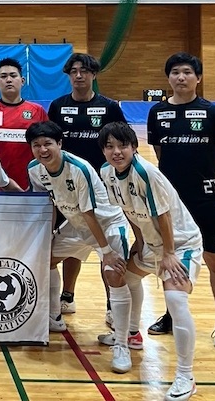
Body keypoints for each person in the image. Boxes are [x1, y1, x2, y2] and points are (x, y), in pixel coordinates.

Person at [98, 121, 203, 401]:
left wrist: (168, 253)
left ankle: (186, 376)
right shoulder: (107, 173)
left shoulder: (146, 173)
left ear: (134, 147)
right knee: (122, 276)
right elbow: (128, 210)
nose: (116, 152)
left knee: (176, 299)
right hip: (152, 244)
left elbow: (163, 215)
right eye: (109, 147)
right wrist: (140, 241)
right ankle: (130, 335)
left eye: (123, 146)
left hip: (180, 244)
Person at [25, 121, 140, 373]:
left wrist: (106, 252)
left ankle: (123, 343)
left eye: (48, 144)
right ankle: (54, 317)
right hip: (76, 224)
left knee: (114, 274)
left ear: (60, 144)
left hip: (107, 224)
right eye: (36, 145)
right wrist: (48, 236)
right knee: (46, 258)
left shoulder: (78, 168)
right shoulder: (34, 169)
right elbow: (47, 204)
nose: (42, 149)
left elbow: (90, 213)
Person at [146, 52, 215, 352]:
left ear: (198, 78)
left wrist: (200, 179)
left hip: (205, 199)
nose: (181, 77)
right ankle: (172, 315)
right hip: (171, 203)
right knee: (170, 257)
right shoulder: (157, 113)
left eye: (187, 72)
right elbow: (161, 154)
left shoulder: (213, 113)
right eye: (175, 72)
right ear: (168, 78)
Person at [47, 52, 128, 318]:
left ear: (94, 74)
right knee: (72, 244)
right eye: (74, 71)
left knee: (108, 251)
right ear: (68, 76)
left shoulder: (109, 107)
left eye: (84, 71)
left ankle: (112, 306)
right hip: (67, 190)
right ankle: (67, 296)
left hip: (103, 193)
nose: (79, 76)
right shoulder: (58, 106)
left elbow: (124, 145)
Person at [0, 57, 48, 189]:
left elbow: (46, 148)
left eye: (13, 76)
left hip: (29, 185)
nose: (8, 80)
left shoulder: (37, 111)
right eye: (3, 76)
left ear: (22, 81)